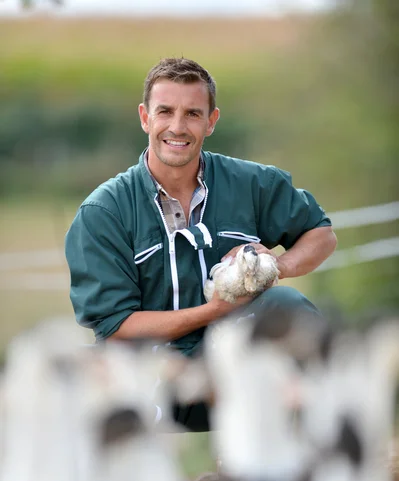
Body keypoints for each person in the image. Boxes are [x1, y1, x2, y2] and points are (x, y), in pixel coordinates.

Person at [65, 57, 337, 431]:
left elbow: (321, 232)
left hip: (232, 357)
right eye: (165, 112)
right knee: (78, 375)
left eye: (193, 113)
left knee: (289, 307)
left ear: (211, 121)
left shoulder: (251, 183)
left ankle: (306, 452)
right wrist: (215, 309)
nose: (177, 127)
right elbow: (115, 326)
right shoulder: (103, 211)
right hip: (148, 369)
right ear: (145, 117)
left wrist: (278, 266)